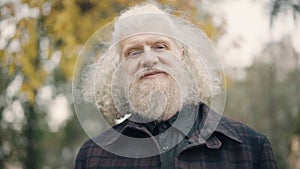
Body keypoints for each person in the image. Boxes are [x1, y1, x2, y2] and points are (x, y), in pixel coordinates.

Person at [74, 3, 278, 169]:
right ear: (120, 69)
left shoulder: (250, 147)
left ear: (182, 55)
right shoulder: (93, 157)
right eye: (134, 52)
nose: (149, 59)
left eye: (160, 46)